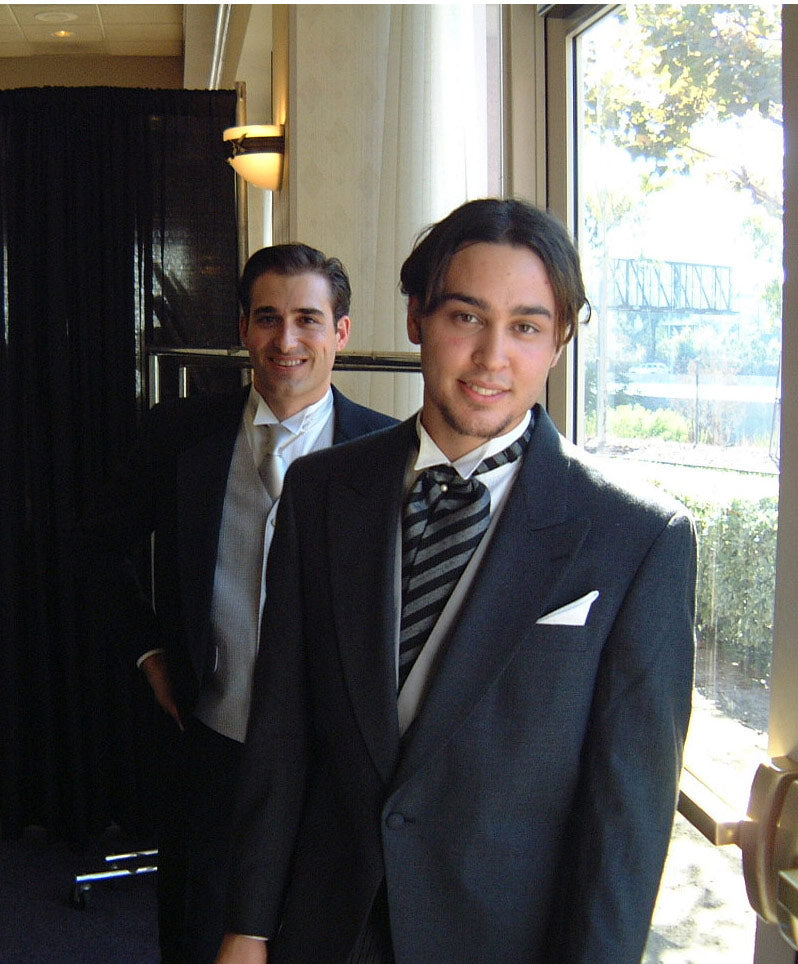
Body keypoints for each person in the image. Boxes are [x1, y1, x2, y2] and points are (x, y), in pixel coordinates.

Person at [217, 200, 697, 964]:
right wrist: (249, 922)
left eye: (527, 327)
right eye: (466, 318)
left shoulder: (635, 538)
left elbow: (626, 823)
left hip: (501, 939)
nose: (491, 358)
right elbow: (283, 730)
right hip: (326, 927)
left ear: (560, 341)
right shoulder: (322, 491)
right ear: (417, 318)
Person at [78, 243, 397, 963]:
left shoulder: (389, 454)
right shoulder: (178, 433)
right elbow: (95, 549)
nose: (288, 340)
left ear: (340, 333)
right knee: (201, 939)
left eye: (309, 320)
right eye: (269, 318)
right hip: (214, 749)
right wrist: (150, 650)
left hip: (337, 766)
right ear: (245, 328)